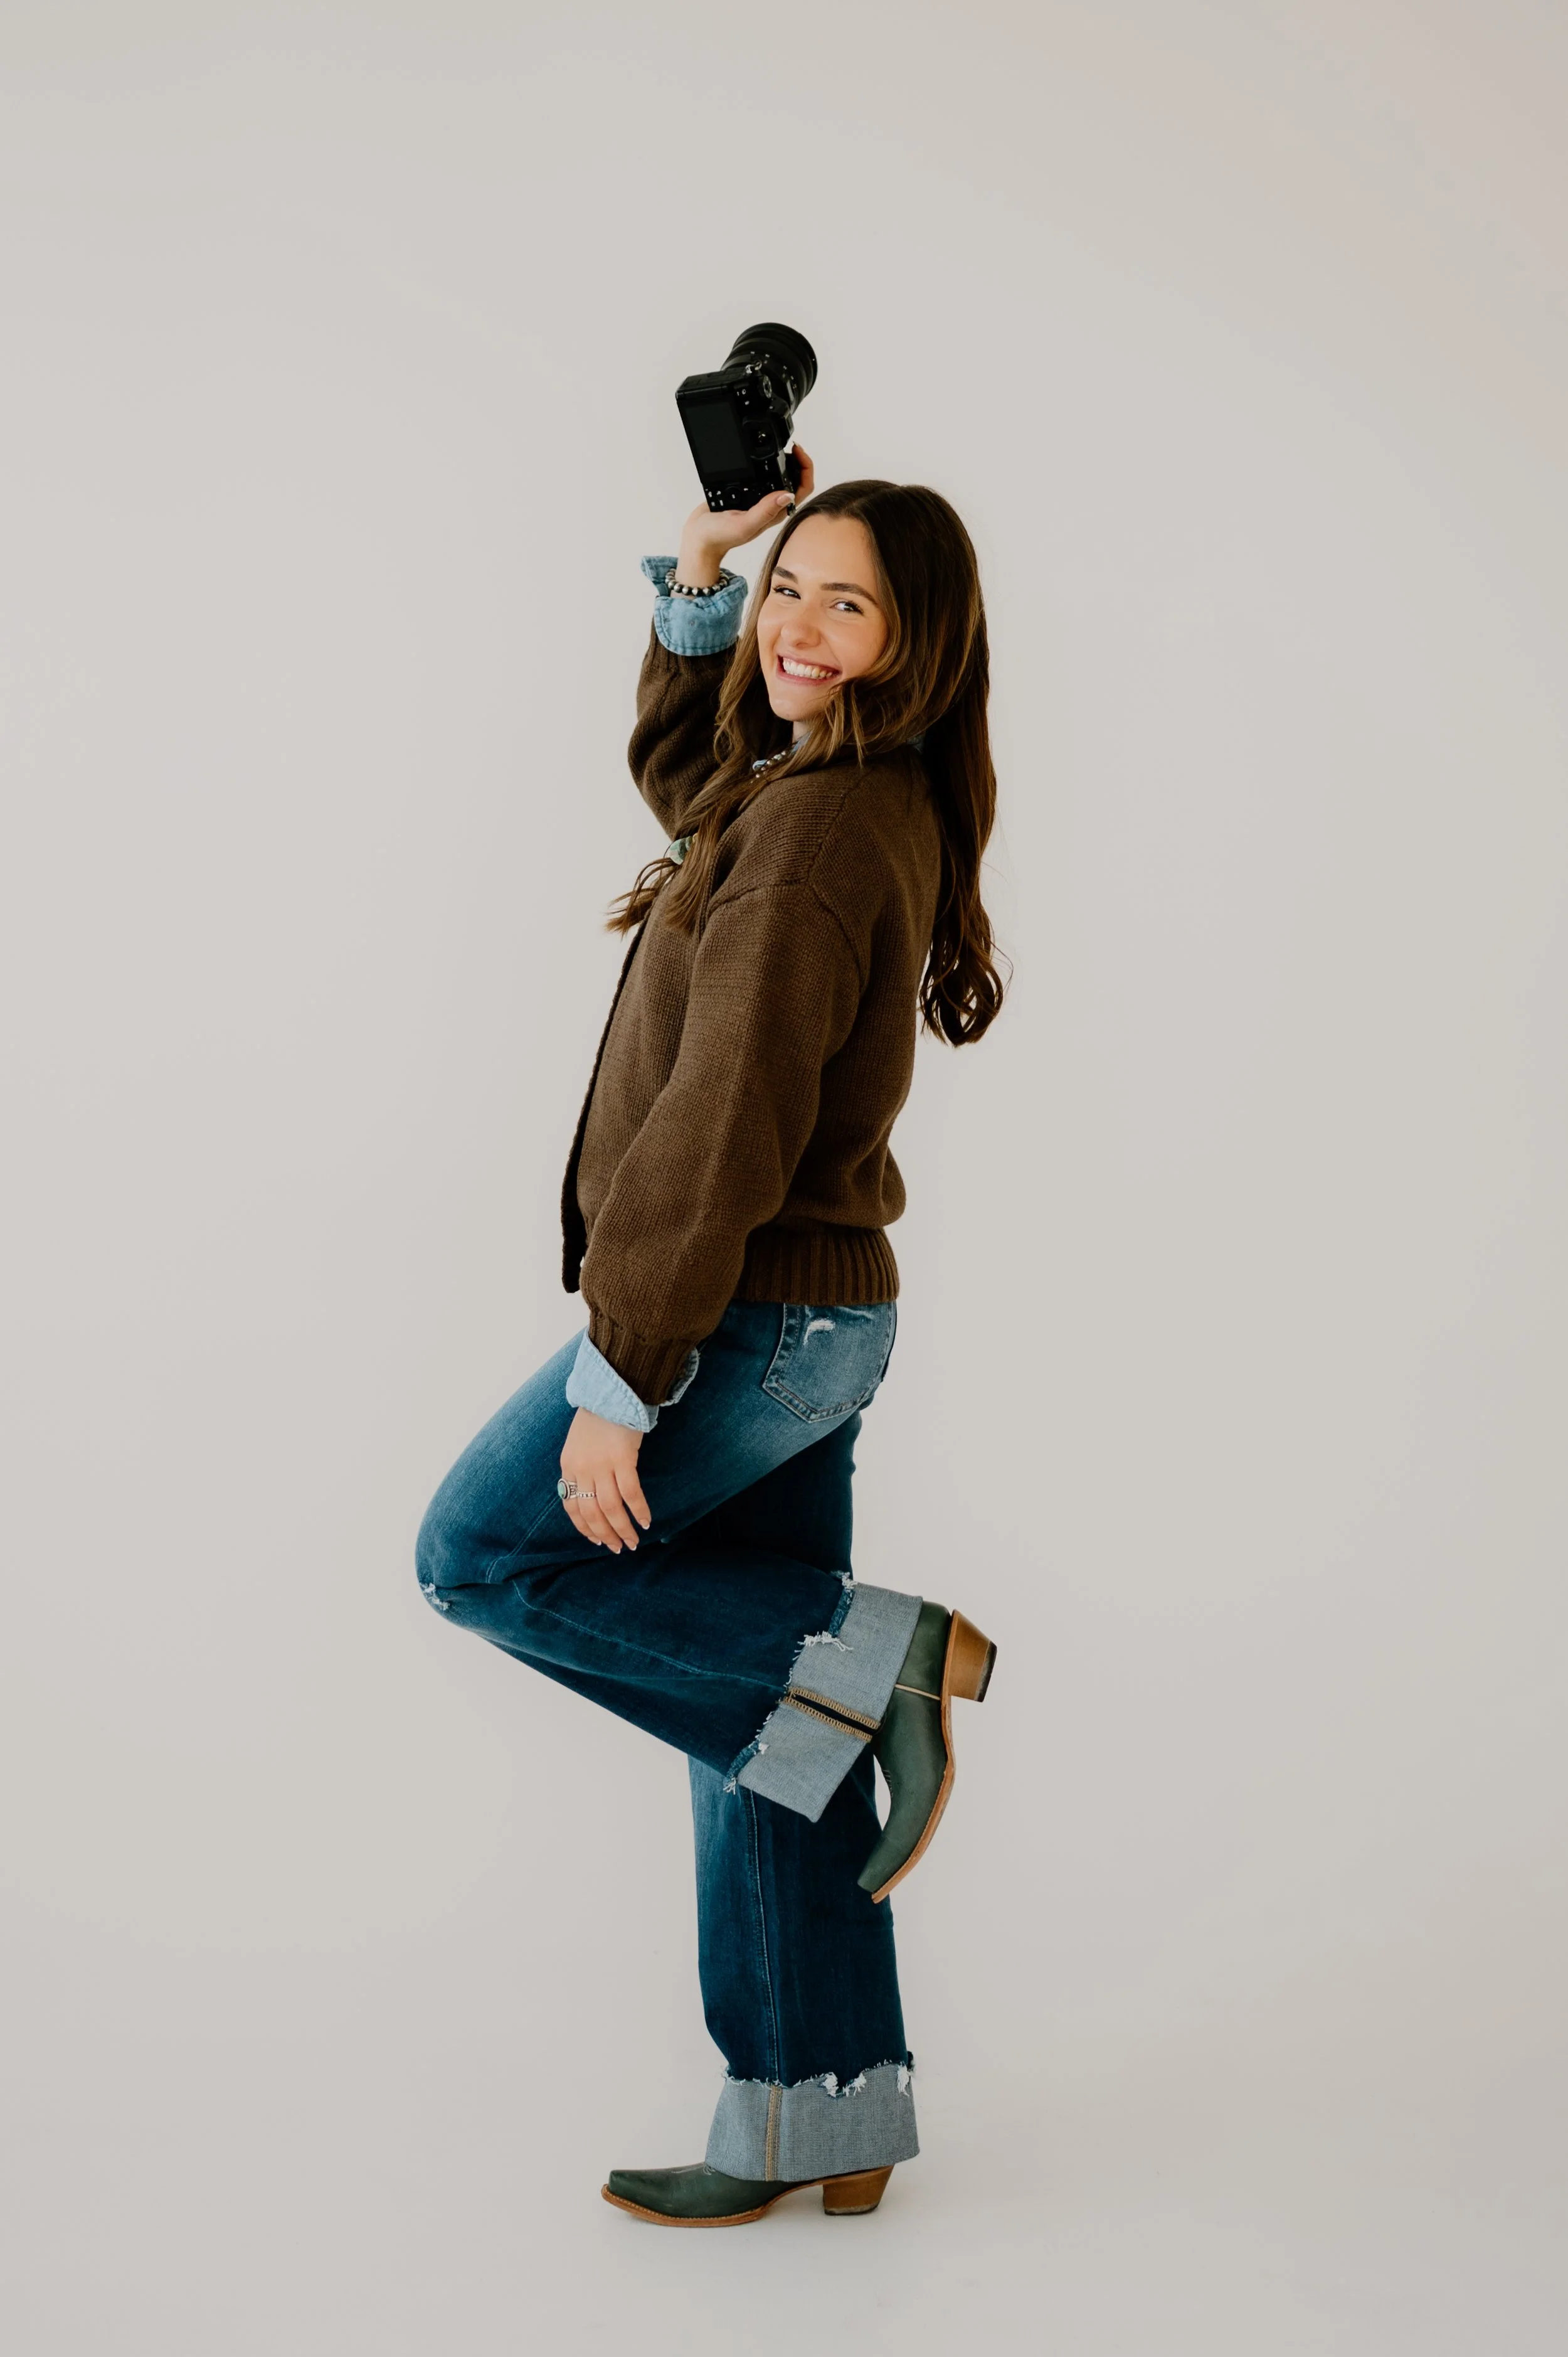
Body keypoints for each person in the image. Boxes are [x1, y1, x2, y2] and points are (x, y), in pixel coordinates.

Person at [416, 445, 1005, 2227]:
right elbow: (698, 777)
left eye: (849, 602)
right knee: (768, 1722)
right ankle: (810, 2110)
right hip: (809, 1322)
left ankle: (876, 1652)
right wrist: (698, 582)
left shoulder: (821, 828)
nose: (801, 629)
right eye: (788, 591)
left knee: (482, 1554)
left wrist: (624, 1371)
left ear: (917, 643)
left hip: (743, 1324)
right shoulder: (828, 786)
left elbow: (722, 1117)